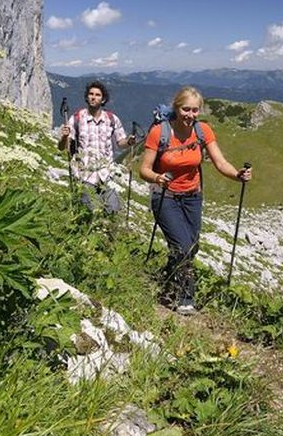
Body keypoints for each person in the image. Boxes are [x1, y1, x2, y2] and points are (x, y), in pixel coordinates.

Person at [139, 86, 252, 315]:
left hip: (193, 197)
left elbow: (220, 162)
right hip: (165, 196)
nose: (190, 115)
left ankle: (166, 280)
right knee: (183, 246)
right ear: (176, 108)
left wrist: (237, 175)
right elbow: (144, 169)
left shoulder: (203, 131)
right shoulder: (160, 132)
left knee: (192, 247)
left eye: (195, 110)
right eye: (185, 109)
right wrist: (157, 177)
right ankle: (185, 298)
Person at [58, 80, 136, 213]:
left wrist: (128, 141)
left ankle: (105, 231)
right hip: (85, 174)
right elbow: (62, 147)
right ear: (87, 97)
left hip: (106, 174)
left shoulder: (112, 119)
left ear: (103, 99)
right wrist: (64, 137)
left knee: (113, 209)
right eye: (91, 94)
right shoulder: (77, 118)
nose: (93, 97)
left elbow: (120, 143)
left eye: (97, 95)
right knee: (90, 210)